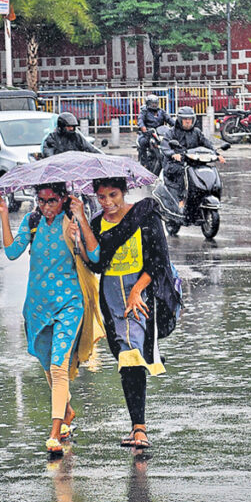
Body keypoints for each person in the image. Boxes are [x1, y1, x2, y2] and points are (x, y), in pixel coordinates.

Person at [0, 184, 103, 456]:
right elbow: (12, 252)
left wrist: (80, 232)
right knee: (48, 367)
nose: (46, 206)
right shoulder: (32, 221)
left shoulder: (72, 221)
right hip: (38, 307)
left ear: (64, 199)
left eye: (52, 201)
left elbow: (95, 258)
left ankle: (55, 432)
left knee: (59, 366)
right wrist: (5, 213)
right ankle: (67, 410)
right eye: (41, 200)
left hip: (69, 305)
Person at [72, 177, 182, 450]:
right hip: (111, 299)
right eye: (101, 197)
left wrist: (136, 292)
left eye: (113, 195)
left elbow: (159, 260)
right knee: (125, 357)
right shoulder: (96, 223)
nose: (108, 203)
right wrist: (80, 235)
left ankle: (140, 429)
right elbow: (96, 264)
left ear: (124, 191)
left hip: (141, 295)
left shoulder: (145, 215)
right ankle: (136, 427)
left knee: (132, 354)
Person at [160, 106, 225, 206]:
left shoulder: (196, 132)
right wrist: (173, 154)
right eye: (185, 119)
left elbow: (206, 143)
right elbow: (165, 146)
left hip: (194, 161)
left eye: (190, 119)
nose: (187, 121)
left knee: (209, 170)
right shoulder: (172, 132)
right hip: (176, 162)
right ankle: (181, 198)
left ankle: (210, 193)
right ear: (180, 120)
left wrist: (216, 154)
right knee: (182, 171)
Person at [137, 95, 173, 162]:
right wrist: (143, 127)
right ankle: (144, 161)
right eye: (152, 103)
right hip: (148, 132)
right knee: (143, 142)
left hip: (160, 133)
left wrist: (176, 125)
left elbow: (169, 119)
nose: (154, 105)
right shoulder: (144, 111)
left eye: (155, 103)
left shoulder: (161, 111)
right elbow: (140, 120)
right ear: (148, 103)